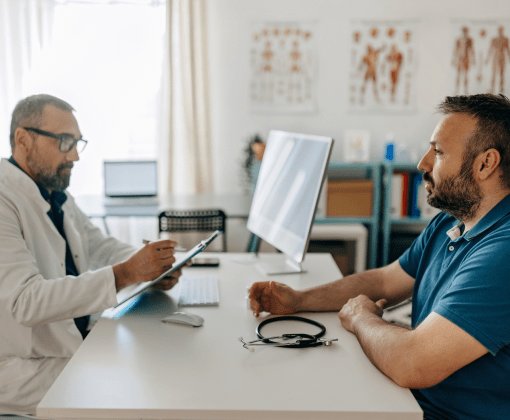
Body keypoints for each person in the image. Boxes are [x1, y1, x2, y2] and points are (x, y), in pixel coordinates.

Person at [249, 93, 510, 419]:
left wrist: (361, 318)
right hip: (407, 401)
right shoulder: (453, 219)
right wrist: (299, 300)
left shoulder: (502, 254)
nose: (422, 164)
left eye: (438, 152)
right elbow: (385, 281)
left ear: (486, 163)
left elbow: (412, 362)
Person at [0, 94, 185, 416]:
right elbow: (24, 302)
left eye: (76, 142)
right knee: (145, 393)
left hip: (72, 343)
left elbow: (97, 245)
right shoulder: (4, 199)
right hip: (24, 368)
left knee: (162, 367)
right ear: (22, 139)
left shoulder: (54, 193)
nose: (74, 155)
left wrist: (150, 264)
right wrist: (126, 273)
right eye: (64, 142)